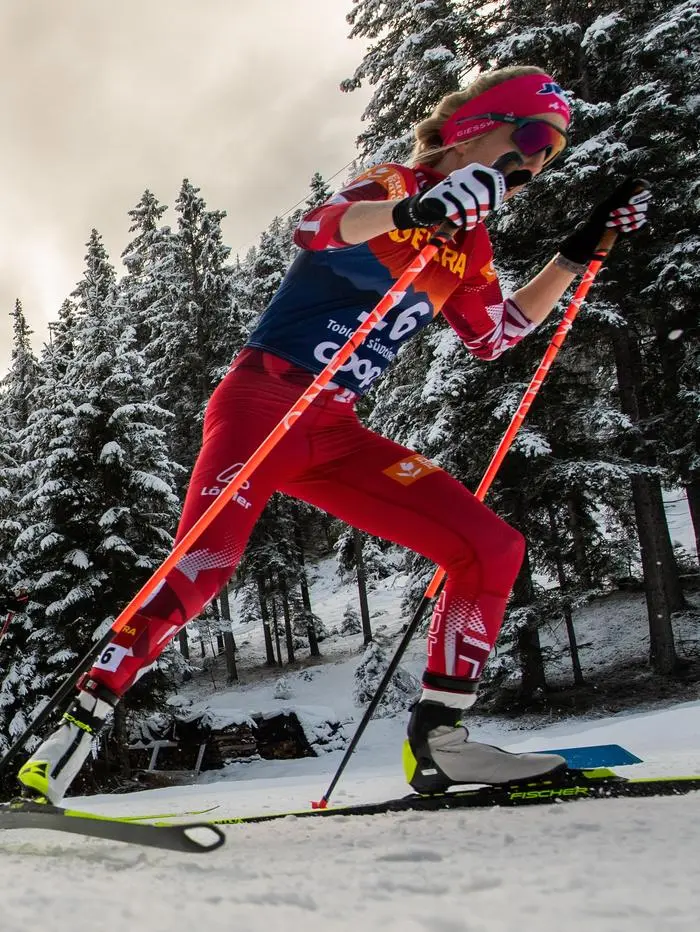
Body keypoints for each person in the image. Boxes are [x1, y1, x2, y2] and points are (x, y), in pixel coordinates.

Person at [18, 65, 650, 803]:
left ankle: (442, 743)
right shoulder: (391, 185)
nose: (538, 162)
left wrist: (577, 251)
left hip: (334, 430)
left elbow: (496, 334)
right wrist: (416, 210)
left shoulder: (470, 247)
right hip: (262, 402)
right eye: (533, 139)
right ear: (477, 126)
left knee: (492, 546)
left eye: (552, 154)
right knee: (208, 562)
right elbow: (316, 230)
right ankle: (70, 732)